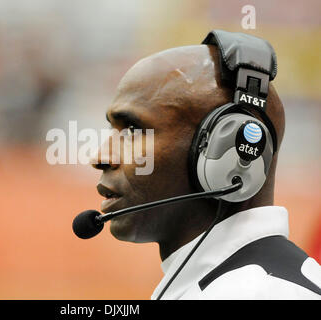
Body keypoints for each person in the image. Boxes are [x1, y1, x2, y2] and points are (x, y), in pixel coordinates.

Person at [89, 31, 321, 299]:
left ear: (233, 153)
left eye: (133, 129)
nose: (100, 157)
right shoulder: (231, 285)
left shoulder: (258, 293)